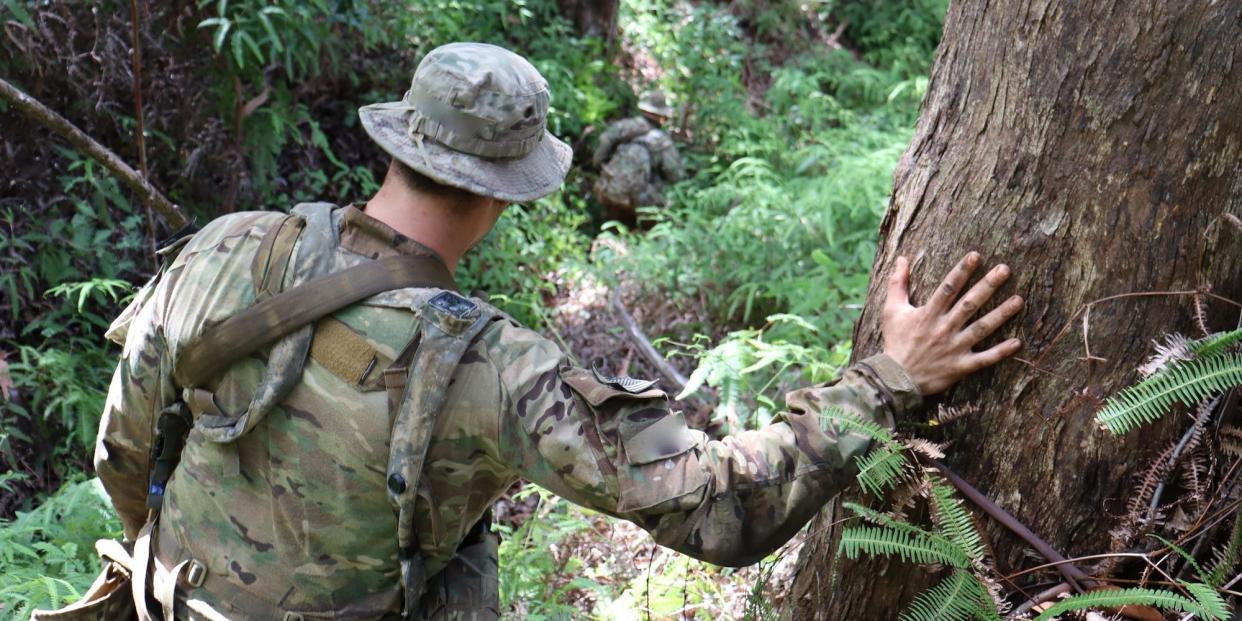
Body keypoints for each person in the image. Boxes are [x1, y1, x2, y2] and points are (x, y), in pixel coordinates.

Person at [92, 42, 1024, 620]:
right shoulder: (494, 369)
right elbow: (720, 506)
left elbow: (121, 452)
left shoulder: (229, 250)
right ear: (505, 193)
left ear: (402, 145)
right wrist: (888, 376)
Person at [592, 90, 685, 220]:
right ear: (661, 116)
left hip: (609, 190)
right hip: (638, 201)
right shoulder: (662, 141)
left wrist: (599, 166)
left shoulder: (623, 126)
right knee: (667, 206)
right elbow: (675, 175)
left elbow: (603, 143)